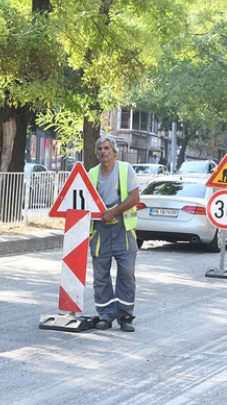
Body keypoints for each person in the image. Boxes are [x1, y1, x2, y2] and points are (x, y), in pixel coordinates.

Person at [87, 137, 140, 331]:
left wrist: (113, 212)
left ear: (115, 151)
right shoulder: (92, 174)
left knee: (126, 273)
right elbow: (84, 200)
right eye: (100, 149)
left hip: (123, 229)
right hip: (100, 230)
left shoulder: (126, 169)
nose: (103, 152)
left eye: (107, 148)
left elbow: (135, 197)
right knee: (101, 275)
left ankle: (125, 315)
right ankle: (106, 314)